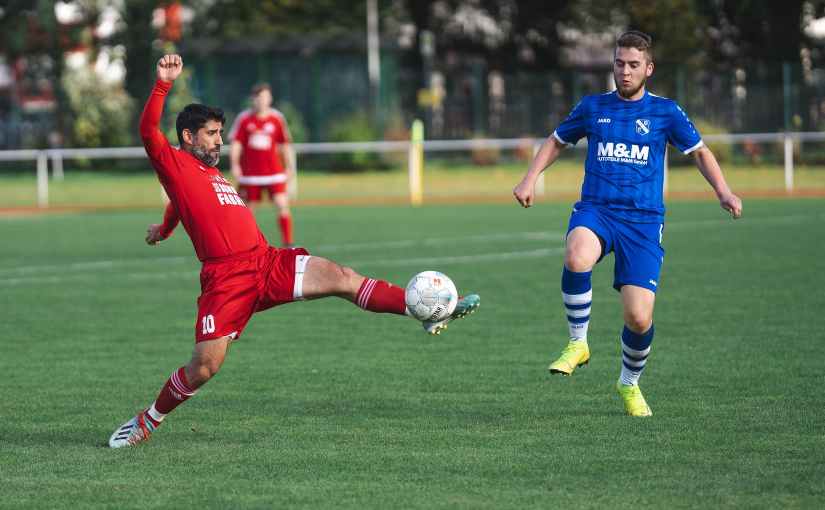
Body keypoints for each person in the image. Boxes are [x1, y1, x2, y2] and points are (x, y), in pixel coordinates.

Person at [109, 54, 480, 448]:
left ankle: (419, 309)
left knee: (343, 276)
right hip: (227, 279)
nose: (221, 140)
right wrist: (163, 84)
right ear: (188, 137)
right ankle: (148, 420)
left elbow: (179, 205)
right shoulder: (173, 162)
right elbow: (148, 130)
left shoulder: (209, 172)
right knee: (204, 367)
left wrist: (164, 228)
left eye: (220, 133)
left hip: (268, 261)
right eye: (213, 133)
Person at [513, 31, 742, 417]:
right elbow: (555, 141)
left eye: (634, 65)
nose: (625, 71)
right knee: (576, 253)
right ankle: (578, 342)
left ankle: (629, 382)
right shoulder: (592, 107)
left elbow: (699, 152)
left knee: (638, 318)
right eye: (619, 63)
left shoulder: (665, 112)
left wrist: (723, 191)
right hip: (597, 210)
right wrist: (529, 177)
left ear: (648, 69)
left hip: (643, 222)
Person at [229, 83, 296, 247]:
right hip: (251, 174)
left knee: (282, 204)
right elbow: (236, 144)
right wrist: (235, 164)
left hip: (274, 172)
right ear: (253, 99)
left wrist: (289, 167)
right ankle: (246, 243)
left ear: (270, 98)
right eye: (259, 97)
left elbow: (284, 144)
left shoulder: (276, 118)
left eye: (265, 97)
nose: (262, 101)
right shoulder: (244, 119)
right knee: (248, 211)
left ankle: (288, 242)